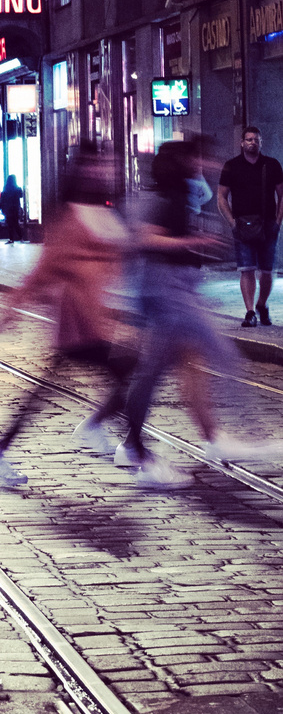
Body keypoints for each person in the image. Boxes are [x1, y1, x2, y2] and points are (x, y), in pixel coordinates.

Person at [116, 140, 282, 486]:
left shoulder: (180, 194)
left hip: (176, 291)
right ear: (182, 163)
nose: (202, 163)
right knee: (221, 356)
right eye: (196, 158)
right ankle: (245, 434)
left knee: (167, 371)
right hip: (167, 293)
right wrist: (195, 243)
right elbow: (148, 239)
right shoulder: (164, 199)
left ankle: (199, 440)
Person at [0, 146, 133, 485]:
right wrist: (12, 306)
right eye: (96, 165)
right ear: (80, 172)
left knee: (43, 394)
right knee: (127, 378)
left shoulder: (103, 212)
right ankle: (136, 451)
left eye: (107, 165)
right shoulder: (70, 218)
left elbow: (114, 262)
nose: (103, 172)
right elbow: (43, 270)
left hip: (98, 321)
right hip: (80, 324)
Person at [216, 126, 283, 327]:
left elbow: (282, 195)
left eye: (256, 139)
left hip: (268, 224)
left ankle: (261, 304)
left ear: (261, 142)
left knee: (267, 271)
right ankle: (250, 312)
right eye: (249, 139)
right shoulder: (232, 166)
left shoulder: (271, 165)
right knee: (247, 269)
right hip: (243, 225)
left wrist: (278, 222)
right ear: (242, 143)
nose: (252, 142)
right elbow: (221, 196)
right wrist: (232, 222)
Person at [0, 174, 24, 244]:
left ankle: (11, 239)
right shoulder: (17, 188)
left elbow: (2, 199)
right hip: (15, 209)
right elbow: (21, 195)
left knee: (10, 224)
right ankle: (21, 237)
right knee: (16, 223)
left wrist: (2, 209)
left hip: (8, 209)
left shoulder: (5, 188)